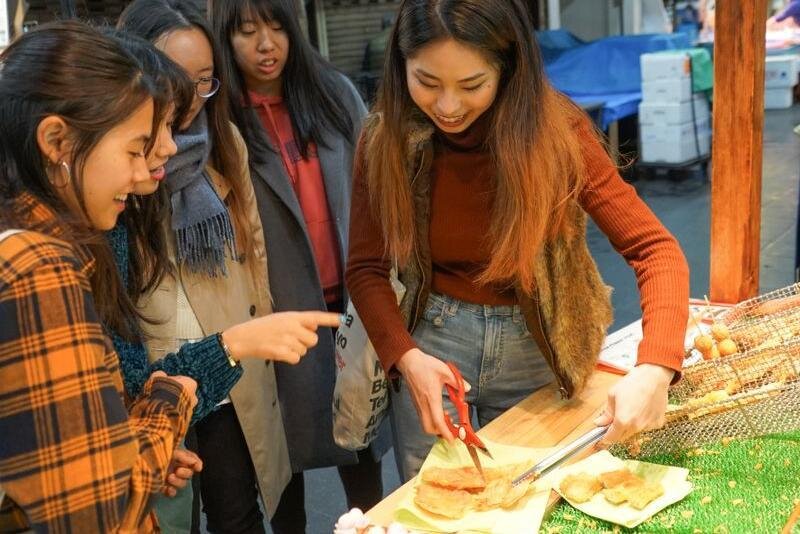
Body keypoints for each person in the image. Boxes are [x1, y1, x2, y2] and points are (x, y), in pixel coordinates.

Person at [346, 0, 690, 481]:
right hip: (431, 345)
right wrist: (405, 357)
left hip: (537, 343)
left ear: (507, 70)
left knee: (537, 496)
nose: (447, 106)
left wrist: (655, 367)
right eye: (427, 82)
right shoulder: (386, 140)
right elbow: (365, 268)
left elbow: (654, 249)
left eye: (472, 85)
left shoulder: (557, 132)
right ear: (401, 64)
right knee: (432, 500)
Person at [117, 2, 341, 531]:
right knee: (165, 513)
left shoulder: (226, 142)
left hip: (229, 360)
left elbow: (256, 252)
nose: (191, 98)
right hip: (154, 366)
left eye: (204, 80)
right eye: (176, 80)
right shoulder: (118, 166)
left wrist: (257, 338)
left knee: (238, 508)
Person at [0, 20, 197, 532]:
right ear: (56, 141)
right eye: (133, 150)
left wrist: (126, 446)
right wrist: (168, 400)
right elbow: (101, 512)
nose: (141, 172)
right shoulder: (38, 270)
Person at [209, 0, 390, 530]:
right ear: (225, 38)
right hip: (275, 316)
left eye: (276, 27)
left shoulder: (333, 94)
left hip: (350, 305)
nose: (266, 45)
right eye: (247, 31)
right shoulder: (220, 118)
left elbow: (378, 185)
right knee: (283, 463)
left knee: (362, 452)